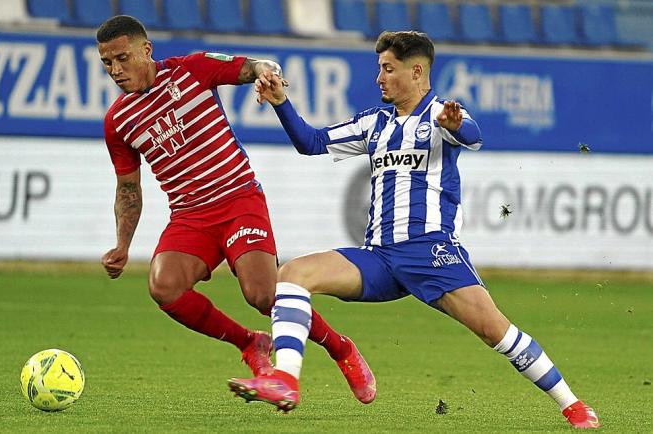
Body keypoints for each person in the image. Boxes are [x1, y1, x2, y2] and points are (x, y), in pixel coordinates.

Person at [228, 31, 600, 429]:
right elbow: (311, 142)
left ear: (417, 71)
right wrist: (282, 104)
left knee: (498, 332)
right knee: (292, 274)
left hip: (431, 255)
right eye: (379, 69)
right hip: (379, 258)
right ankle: (285, 380)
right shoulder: (375, 123)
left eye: (388, 69)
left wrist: (455, 125)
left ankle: (573, 405)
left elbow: (470, 134)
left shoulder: (441, 115)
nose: (379, 78)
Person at [96, 15, 375, 402]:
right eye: (107, 63)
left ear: (147, 50)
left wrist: (266, 74)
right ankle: (249, 344)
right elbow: (128, 188)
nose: (115, 70)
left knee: (262, 295)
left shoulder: (191, 70)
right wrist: (123, 244)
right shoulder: (117, 122)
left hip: (238, 199)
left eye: (122, 58)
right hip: (190, 216)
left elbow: (253, 66)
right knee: (164, 287)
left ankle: (340, 348)